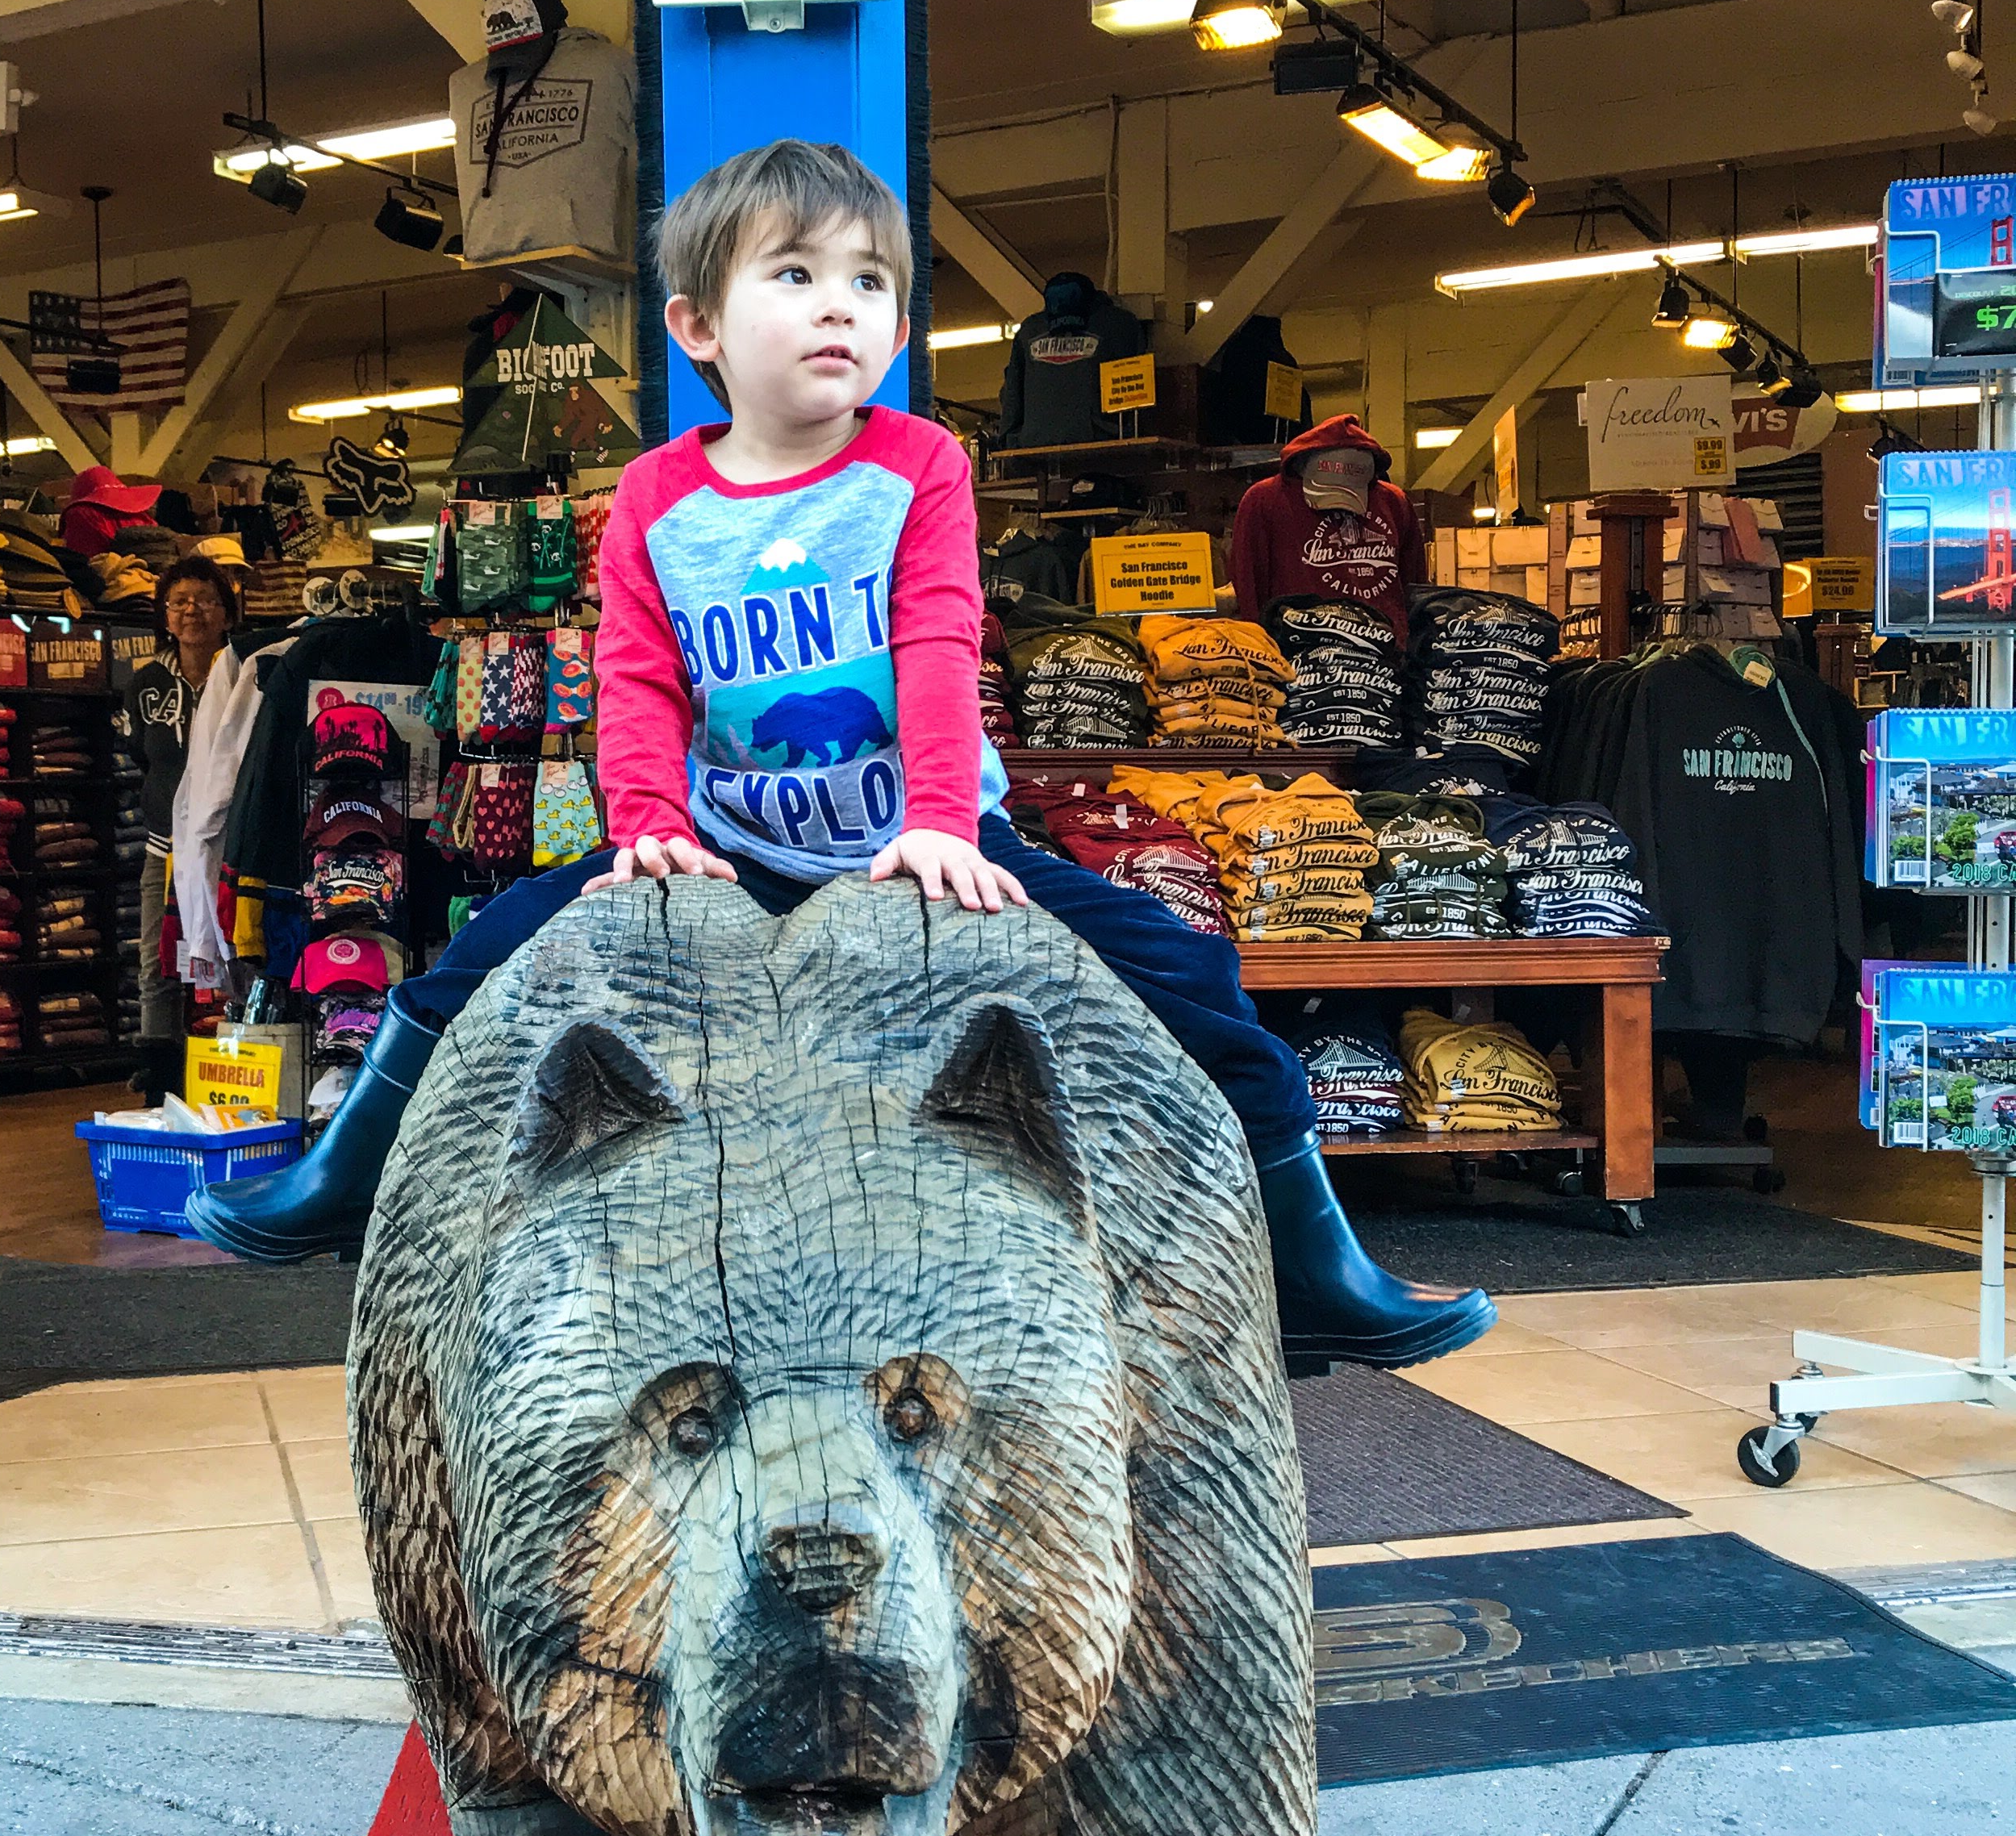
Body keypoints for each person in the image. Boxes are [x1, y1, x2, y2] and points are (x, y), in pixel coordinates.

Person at [192, 142, 1492, 1371]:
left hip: (931, 832)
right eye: (797, 274)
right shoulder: (654, 494)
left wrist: (938, 819)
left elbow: (937, 635)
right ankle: (335, 1188)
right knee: (476, 962)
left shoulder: (917, 463)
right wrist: (646, 821)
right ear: (698, 325)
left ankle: (1312, 1274)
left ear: (902, 324)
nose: (841, 307)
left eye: (871, 282)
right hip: (730, 842)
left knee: (1190, 964)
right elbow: (637, 670)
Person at [122, 551, 240, 1100]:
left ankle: (224, 1071)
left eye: (205, 600)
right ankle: (159, 1077)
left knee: (227, 953)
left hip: (222, 845)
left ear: (226, 612)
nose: (192, 611)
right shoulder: (145, 684)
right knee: (158, 961)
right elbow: (143, 757)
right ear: (164, 615)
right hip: (161, 847)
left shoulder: (242, 676)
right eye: (179, 602)